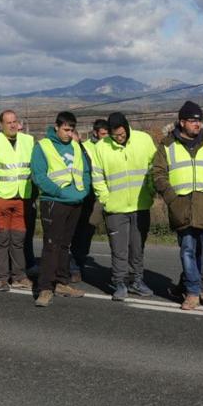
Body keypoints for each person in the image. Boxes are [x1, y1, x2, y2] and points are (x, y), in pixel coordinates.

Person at [152, 101, 203, 312]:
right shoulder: (167, 145)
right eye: (192, 120)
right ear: (182, 122)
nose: (197, 124)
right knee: (188, 252)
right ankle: (192, 293)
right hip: (181, 209)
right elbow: (158, 174)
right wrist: (172, 198)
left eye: (199, 120)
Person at [91, 112, 157, 300]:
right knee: (119, 249)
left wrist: (151, 191)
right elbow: (97, 176)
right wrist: (105, 198)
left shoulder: (144, 140)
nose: (119, 138)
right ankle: (119, 283)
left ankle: (137, 280)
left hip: (140, 204)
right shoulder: (101, 147)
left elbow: (154, 167)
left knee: (137, 248)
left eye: (122, 134)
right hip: (115, 208)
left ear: (127, 128)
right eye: (115, 136)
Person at [28, 111, 90, 307]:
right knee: (52, 245)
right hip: (54, 202)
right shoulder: (43, 147)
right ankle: (45, 288)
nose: (68, 133)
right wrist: (60, 193)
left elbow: (85, 170)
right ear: (56, 127)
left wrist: (84, 191)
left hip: (75, 201)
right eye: (65, 129)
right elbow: (39, 176)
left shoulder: (75, 145)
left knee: (65, 244)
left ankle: (62, 282)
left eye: (71, 130)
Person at [0, 109, 35, 291]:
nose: (13, 125)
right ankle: (2, 278)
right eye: (9, 122)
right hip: (2, 198)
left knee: (18, 240)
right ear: (1, 125)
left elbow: (34, 169)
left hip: (23, 198)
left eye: (15, 121)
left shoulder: (28, 141)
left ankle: (19, 276)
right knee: (2, 240)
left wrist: (33, 196)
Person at [70, 118, 109, 284]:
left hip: (110, 194)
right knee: (84, 231)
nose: (106, 137)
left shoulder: (110, 147)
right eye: (103, 134)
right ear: (95, 133)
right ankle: (75, 265)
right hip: (90, 196)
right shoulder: (85, 148)